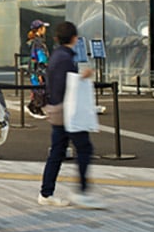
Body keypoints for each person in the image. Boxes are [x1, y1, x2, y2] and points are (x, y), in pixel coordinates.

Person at [37, 20, 104, 209]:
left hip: (58, 110)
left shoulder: (57, 56)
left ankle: (46, 192)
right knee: (84, 149)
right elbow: (67, 85)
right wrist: (83, 77)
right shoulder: (66, 58)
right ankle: (81, 192)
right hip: (68, 111)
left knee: (57, 152)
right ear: (74, 38)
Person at [25, 20, 51, 119]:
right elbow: (41, 58)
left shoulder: (35, 41)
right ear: (39, 29)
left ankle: (35, 106)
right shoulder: (38, 42)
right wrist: (40, 72)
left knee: (38, 88)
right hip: (38, 69)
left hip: (35, 68)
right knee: (39, 88)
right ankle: (35, 107)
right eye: (43, 28)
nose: (45, 30)